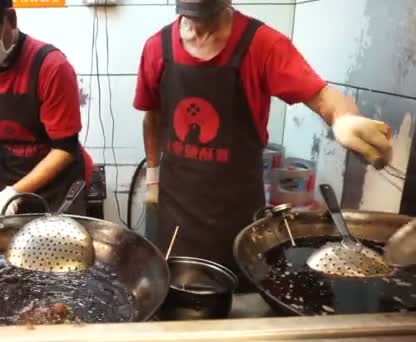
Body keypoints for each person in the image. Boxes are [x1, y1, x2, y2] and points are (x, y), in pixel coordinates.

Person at [135, 0, 392, 280]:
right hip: (177, 214)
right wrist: (152, 178)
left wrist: (344, 119)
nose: (198, 28)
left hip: (238, 215)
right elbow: (153, 118)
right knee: (177, 298)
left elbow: (326, 99)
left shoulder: (263, 45)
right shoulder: (156, 48)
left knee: (242, 302)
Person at [0, 0, 92, 228]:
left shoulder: (51, 67)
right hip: (9, 175)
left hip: (60, 184)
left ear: (10, 19)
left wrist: (15, 192)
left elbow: (65, 148)